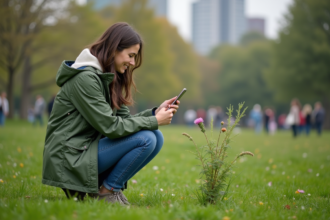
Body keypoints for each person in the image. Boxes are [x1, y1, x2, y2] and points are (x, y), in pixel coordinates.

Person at [42, 23, 180, 205]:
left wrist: (155, 113)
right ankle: (107, 193)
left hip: (86, 151)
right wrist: (154, 120)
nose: (132, 63)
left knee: (156, 136)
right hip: (69, 160)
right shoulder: (85, 79)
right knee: (148, 138)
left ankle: (107, 190)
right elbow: (111, 127)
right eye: (130, 56)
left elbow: (124, 122)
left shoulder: (106, 77)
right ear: (114, 49)